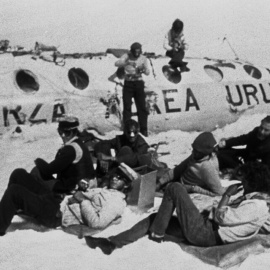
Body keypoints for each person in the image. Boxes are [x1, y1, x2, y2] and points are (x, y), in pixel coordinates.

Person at [84, 161, 270, 255]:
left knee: (174, 188)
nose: (242, 183)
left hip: (208, 233)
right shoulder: (252, 199)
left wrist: (227, 195)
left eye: (245, 180)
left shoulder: (258, 205)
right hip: (206, 228)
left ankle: (157, 234)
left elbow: (223, 218)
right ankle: (112, 243)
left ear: (255, 181)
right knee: (155, 218)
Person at [0, 115, 96, 236]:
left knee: (15, 191)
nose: (63, 136)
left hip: (58, 209)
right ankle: (8, 210)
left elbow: (49, 169)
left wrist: (37, 159)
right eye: (60, 132)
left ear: (74, 131)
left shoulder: (72, 149)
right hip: (58, 196)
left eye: (66, 133)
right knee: (18, 173)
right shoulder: (78, 144)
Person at [62, 164, 135, 229]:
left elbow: (96, 224)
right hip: (66, 205)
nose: (114, 178)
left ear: (126, 185)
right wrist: (83, 189)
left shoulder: (116, 201)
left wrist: (84, 200)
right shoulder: (108, 190)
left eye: (119, 178)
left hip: (68, 216)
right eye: (114, 175)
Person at [156, 132, 225, 196]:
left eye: (197, 151)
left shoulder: (207, 167)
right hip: (181, 179)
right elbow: (178, 169)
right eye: (194, 149)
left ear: (205, 153)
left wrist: (194, 189)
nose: (193, 152)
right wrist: (160, 183)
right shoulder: (197, 156)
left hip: (185, 187)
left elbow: (219, 193)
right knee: (156, 174)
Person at [115, 42, 150, 136]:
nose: (137, 54)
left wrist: (143, 69)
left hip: (138, 83)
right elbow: (117, 63)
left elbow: (148, 72)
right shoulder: (126, 56)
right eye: (135, 52)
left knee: (141, 107)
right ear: (132, 51)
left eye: (138, 52)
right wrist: (126, 62)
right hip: (128, 83)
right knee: (127, 107)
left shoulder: (143, 58)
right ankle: (127, 128)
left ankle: (144, 129)